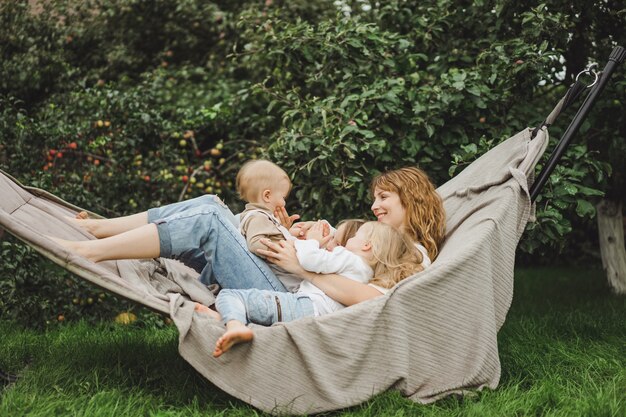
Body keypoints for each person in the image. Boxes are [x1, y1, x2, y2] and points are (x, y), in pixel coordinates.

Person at [53, 166, 445, 303]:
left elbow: (370, 296)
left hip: (287, 293)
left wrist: (304, 267)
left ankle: (91, 250)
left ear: (410, 198)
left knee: (209, 217)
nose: (375, 205)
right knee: (211, 203)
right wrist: (298, 234)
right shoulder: (376, 235)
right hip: (287, 277)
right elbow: (348, 263)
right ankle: (102, 228)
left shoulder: (417, 254)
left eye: (384, 198)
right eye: (375, 199)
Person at [197, 220, 422, 357]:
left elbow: (308, 258)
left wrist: (311, 240)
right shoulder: (366, 274)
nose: (344, 242)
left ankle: (233, 323)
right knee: (253, 303)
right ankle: (226, 317)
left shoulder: (347, 258)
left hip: (305, 307)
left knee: (231, 294)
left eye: (353, 236)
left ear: (366, 245)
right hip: (312, 312)